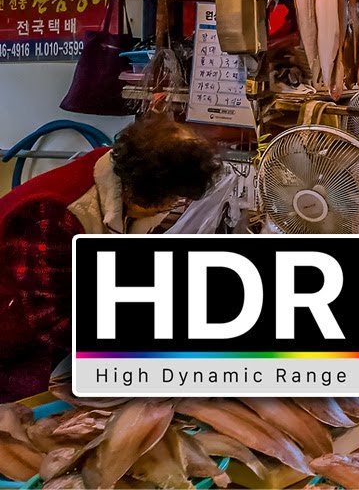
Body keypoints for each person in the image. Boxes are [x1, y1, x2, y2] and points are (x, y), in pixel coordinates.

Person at [0, 116, 220, 401]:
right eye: (171, 201)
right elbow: (49, 316)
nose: (171, 207)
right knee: (28, 415)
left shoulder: (121, 179)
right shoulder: (53, 213)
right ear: (143, 190)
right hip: (12, 327)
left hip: (45, 321)